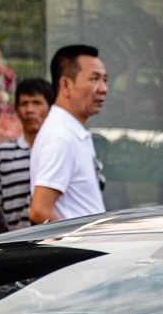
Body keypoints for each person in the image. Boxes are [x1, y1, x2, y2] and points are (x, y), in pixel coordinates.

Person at [28, 46, 107, 225]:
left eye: (105, 80)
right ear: (65, 85)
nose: (103, 89)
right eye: (94, 79)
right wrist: (74, 240)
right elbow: (39, 211)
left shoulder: (69, 131)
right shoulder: (60, 136)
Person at [0, 77, 53, 232]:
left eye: (36, 103)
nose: (29, 110)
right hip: (15, 241)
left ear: (50, 108)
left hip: (57, 239)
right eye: (24, 103)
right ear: (16, 110)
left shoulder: (61, 151)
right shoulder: (2, 154)